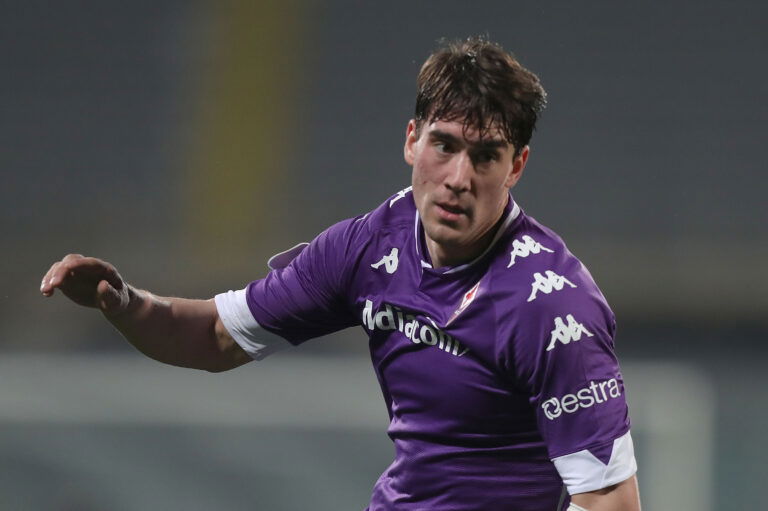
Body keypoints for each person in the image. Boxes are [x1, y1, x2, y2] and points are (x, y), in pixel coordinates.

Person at [41, 38, 640, 511]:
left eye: (485, 156)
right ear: (412, 141)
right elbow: (215, 336)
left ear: (517, 167)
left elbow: (609, 501)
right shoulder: (367, 247)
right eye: (444, 145)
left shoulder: (551, 308)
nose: (459, 178)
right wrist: (123, 302)